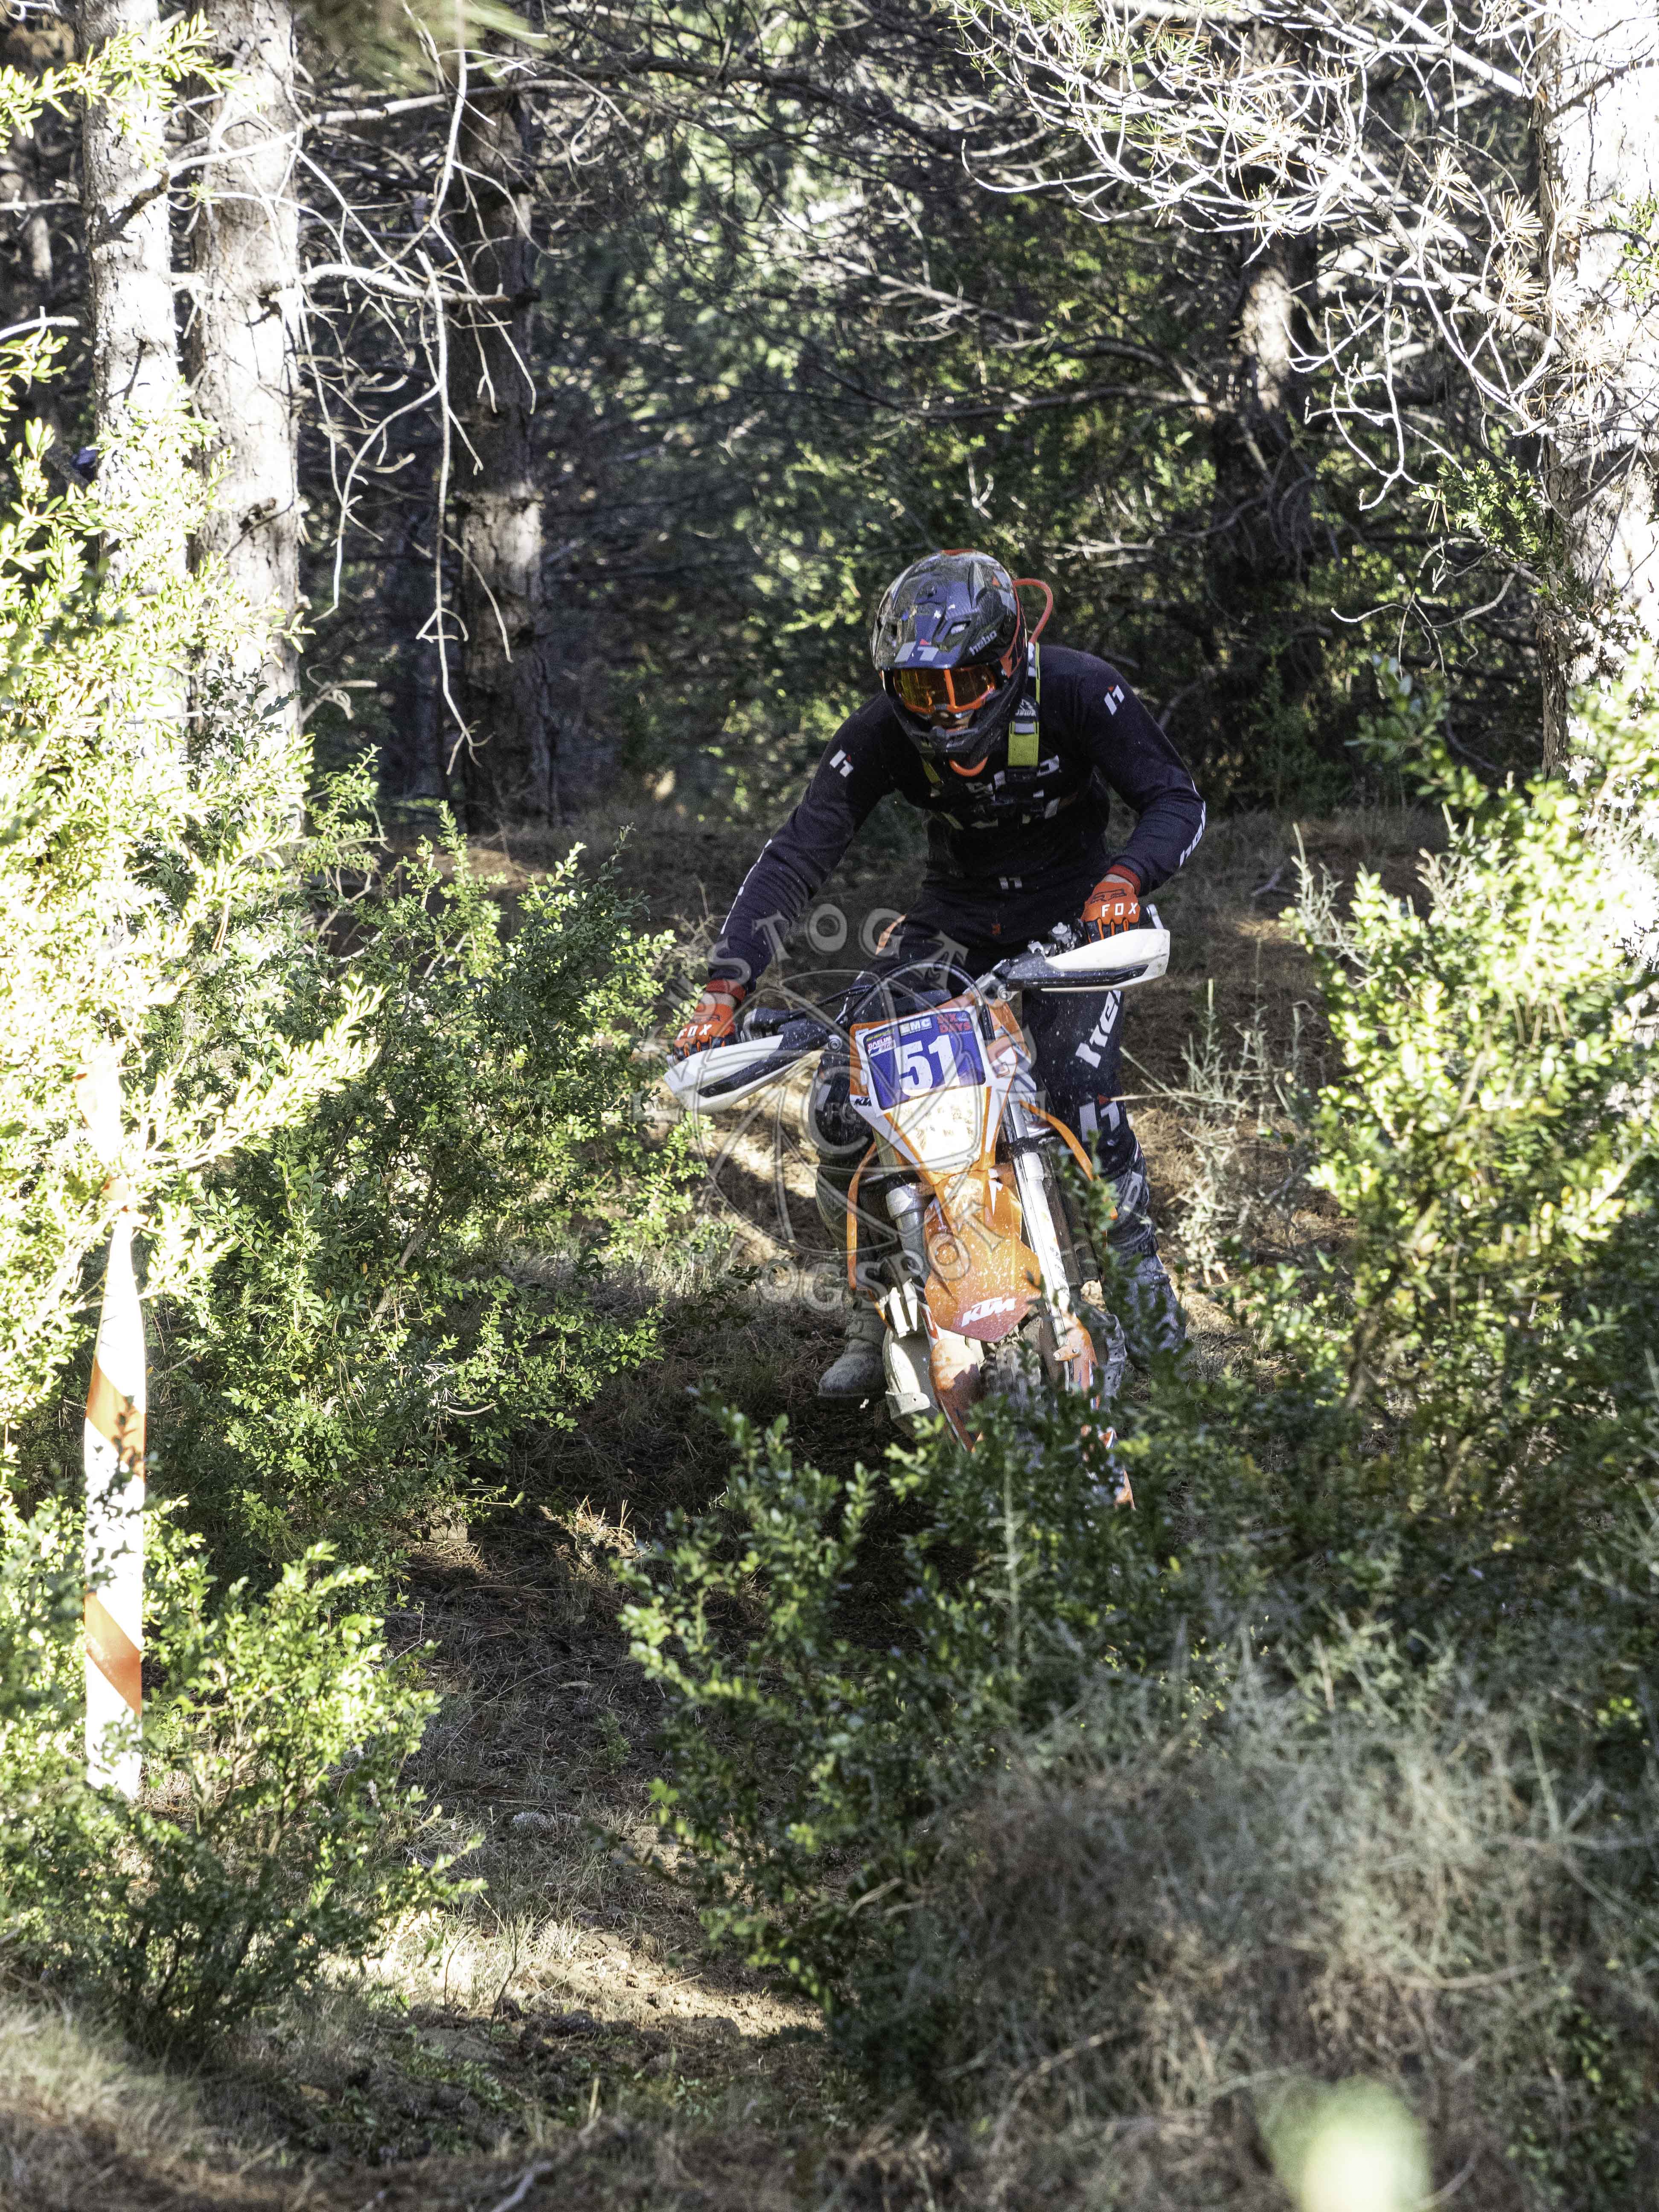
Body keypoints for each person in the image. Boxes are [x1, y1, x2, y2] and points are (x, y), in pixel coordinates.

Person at [672, 549, 1205, 1399]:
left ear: (1010, 659)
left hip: (1077, 920)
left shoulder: (1077, 688)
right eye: (923, 689)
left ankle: (1145, 1303)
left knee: (1076, 1093)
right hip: (952, 928)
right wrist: (724, 986)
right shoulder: (882, 732)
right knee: (843, 1106)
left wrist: (1126, 879)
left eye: (967, 682)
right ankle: (878, 1311)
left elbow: (1175, 797)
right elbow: (797, 855)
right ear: (893, 685)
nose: (947, 708)